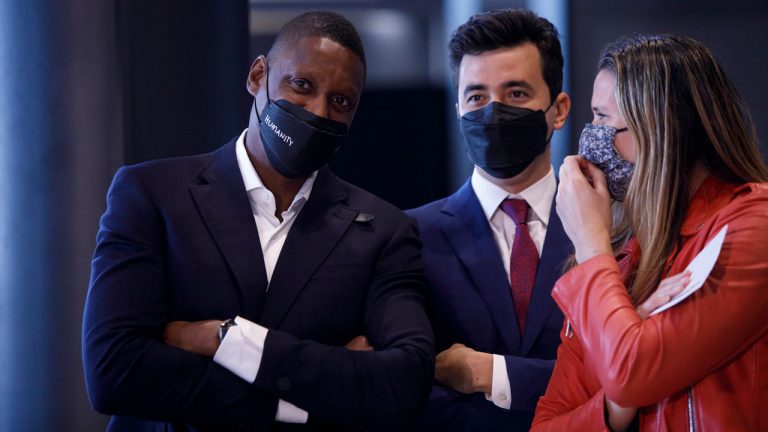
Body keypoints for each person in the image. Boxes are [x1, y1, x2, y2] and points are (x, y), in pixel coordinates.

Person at [82, 11, 434, 432]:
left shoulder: (382, 229)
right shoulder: (151, 193)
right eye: (302, 85)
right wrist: (299, 405)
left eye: (341, 101)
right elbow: (114, 373)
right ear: (257, 76)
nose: (319, 110)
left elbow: (404, 382)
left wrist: (225, 339)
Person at [532, 34, 768, 431]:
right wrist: (614, 404)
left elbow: (630, 372)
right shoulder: (623, 265)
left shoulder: (753, 226)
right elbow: (547, 424)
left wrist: (591, 241)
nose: (591, 138)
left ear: (664, 130)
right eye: (592, 117)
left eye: (604, 119)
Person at [407, 9, 572, 430]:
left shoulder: (613, 231)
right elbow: (404, 381)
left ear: (558, 109)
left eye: (516, 93)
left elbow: (622, 376)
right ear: (459, 107)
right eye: (477, 96)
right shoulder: (410, 236)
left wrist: (486, 374)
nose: (493, 112)